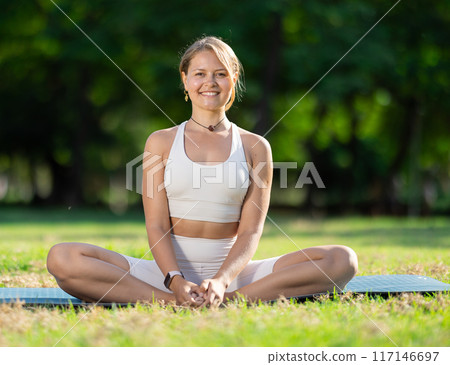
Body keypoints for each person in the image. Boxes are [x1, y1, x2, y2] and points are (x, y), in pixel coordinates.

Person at [46, 36, 358, 307]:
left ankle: (224, 302)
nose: (210, 82)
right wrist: (175, 280)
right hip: (162, 275)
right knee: (62, 257)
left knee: (341, 260)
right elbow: (156, 225)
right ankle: (174, 302)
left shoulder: (255, 146)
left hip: (236, 276)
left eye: (220, 74)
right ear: (185, 80)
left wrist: (222, 281)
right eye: (199, 73)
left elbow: (250, 231)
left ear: (233, 79)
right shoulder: (160, 142)